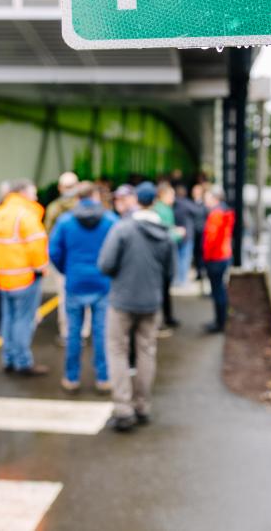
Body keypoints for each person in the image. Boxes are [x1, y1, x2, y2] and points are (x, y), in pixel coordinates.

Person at [97, 181, 175, 431]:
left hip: (121, 300)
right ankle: (142, 405)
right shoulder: (165, 233)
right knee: (146, 350)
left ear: (136, 200)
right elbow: (170, 273)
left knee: (117, 350)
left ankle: (123, 408)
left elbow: (106, 265)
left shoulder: (123, 229)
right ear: (154, 201)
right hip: (151, 302)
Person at [50, 182, 118, 393]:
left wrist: (66, 270)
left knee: (73, 333)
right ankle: (104, 377)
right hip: (102, 282)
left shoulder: (65, 221)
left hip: (75, 281)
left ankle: (72, 378)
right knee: (100, 332)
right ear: (96, 196)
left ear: (77, 198)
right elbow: (118, 249)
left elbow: (54, 252)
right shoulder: (110, 220)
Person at [0, 179, 50, 376]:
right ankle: (22, 361)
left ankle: (8, 357)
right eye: (33, 193)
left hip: (3, 277)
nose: (36, 197)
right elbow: (37, 246)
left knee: (8, 318)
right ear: (23, 193)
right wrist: (40, 269)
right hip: (25, 277)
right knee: (24, 320)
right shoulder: (26, 215)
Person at [45, 172, 80, 346]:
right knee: (85, 296)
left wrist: (57, 263)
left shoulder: (54, 208)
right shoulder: (86, 206)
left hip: (64, 262)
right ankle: (83, 331)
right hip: (83, 261)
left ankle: (67, 332)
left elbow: (49, 236)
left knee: (65, 297)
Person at [202, 186, 235, 333]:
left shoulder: (216, 214)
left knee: (217, 291)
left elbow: (211, 239)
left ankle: (219, 323)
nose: (205, 200)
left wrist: (205, 257)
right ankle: (221, 320)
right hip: (223, 255)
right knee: (220, 290)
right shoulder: (225, 211)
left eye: (207, 197)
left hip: (215, 257)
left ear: (215, 198)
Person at [154, 183, 184, 330]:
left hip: (164, 257)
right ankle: (163, 319)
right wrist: (177, 234)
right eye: (171, 195)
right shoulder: (162, 210)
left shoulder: (164, 209)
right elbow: (165, 235)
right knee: (162, 289)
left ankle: (166, 317)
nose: (173, 198)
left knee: (164, 289)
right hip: (163, 258)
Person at [172, 183, 200, 286]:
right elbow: (197, 212)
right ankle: (182, 280)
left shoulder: (173, 205)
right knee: (185, 259)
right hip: (187, 235)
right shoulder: (187, 204)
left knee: (178, 259)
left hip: (176, 234)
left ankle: (177, 280)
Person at [191, 183, 208, 290]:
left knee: (202, 254)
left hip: (202, 233)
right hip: (194, 233)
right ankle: (198, 271)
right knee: (196, 254)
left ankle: (202, 271)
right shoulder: (191, 204)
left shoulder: (204, 206)